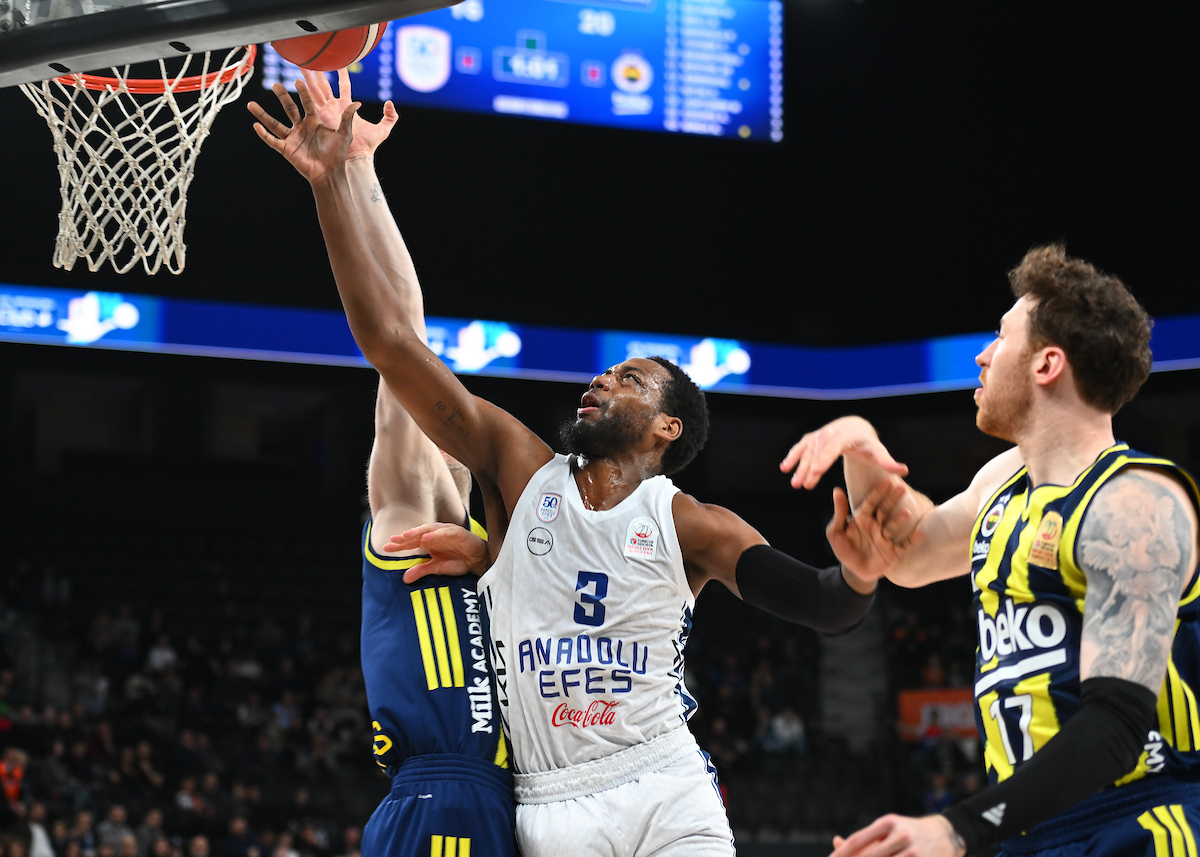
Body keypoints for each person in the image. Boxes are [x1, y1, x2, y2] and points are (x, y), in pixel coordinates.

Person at [249, 78, 894, 857]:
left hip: (662, 782)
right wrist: (332, 186)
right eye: (604, 373)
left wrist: (860, 574)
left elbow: (826, 605)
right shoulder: (521, 468)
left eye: (629, 379)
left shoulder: (691, 524)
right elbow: (393, 341)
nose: (601, 381)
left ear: (667, 426)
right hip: (548, 801)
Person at [781, 245, 1200, 856]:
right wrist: (857, 444)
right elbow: (908, 556)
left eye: (1000, 337)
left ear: (1047, 364)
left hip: (1134, 818)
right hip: (1025, 827)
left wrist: (956, 827)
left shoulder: (1134, 503)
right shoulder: (1001, 482)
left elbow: (1117, 726)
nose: (982, 356)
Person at [247, 71, 517, 857]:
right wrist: (356, 175)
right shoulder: (406, 515)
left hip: (495, 796)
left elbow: (411, 334)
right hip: (441, 797)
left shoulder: (477, 533)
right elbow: (403, 332)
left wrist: (359, 171)